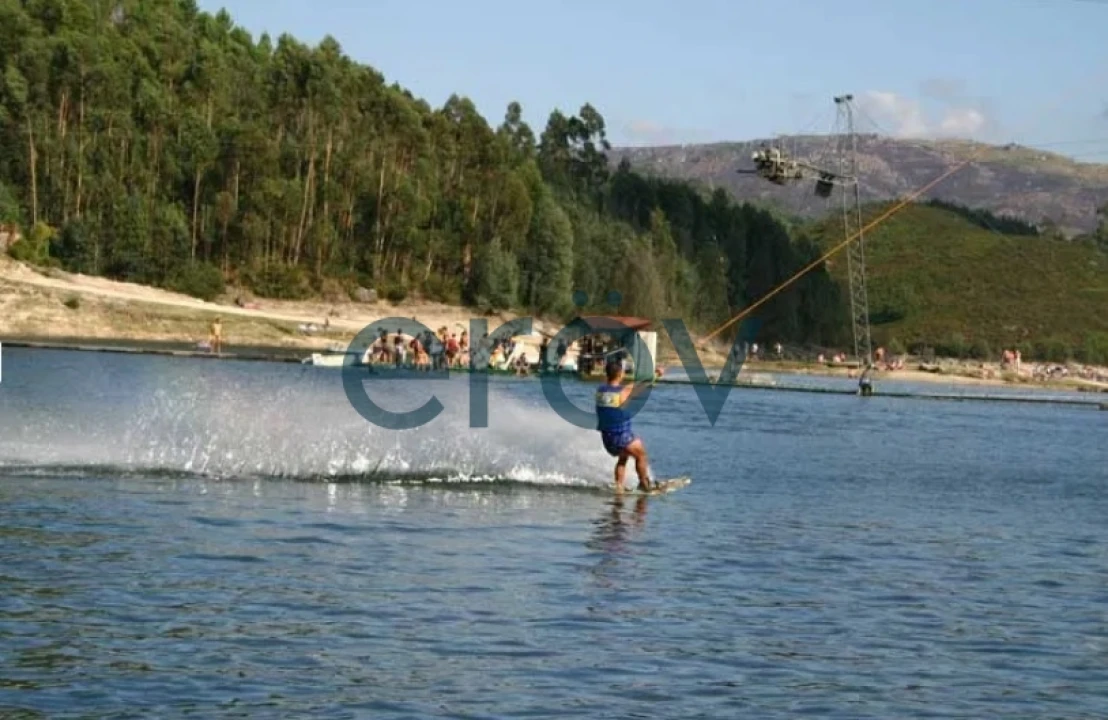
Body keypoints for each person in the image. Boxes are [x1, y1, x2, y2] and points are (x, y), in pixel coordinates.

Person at [595, 359, 664, 494]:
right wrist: (657, 374)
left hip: (607, 439)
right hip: (621, 437)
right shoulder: (623, 391)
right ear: (620, 374)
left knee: (623, 458)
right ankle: (644, 484)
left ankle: (619, 486)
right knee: (641, 455)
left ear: (607, 374)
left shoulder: (600, 391)